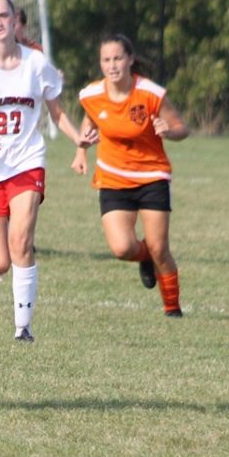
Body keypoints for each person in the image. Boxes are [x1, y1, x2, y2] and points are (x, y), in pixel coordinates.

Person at [0, 0, 96, 342]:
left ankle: (23, 328)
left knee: (22, 240)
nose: (0, 23)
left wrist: (77, 139)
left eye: (5, 15)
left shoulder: (36, 63)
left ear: (15, 19)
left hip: (26, 162)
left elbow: (57, 111)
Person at [71, 34, 189, 318]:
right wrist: (81, 150)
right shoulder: (90, 95)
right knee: (123, 247)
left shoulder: (150, 93)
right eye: (106, 60)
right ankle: (144, 256)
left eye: (118, 58)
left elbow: (182, 128)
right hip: (113, 178)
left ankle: (172, 308)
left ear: (130, 60)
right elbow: (92, 119)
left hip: (152, 176)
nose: (112, 65)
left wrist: (168, 132)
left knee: (160, 247)